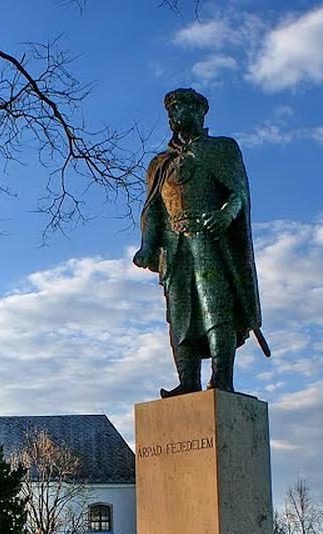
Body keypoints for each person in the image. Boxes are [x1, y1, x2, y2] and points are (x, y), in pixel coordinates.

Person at [133, 87, 266, 397]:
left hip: (209, 240)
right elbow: (153, 210)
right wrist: (148, 245)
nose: (172, 114)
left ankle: (222, 378)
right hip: (174, 249)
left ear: (199, 111)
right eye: (169, 109)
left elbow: (239, 193)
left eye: (178, 107)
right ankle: (188, 380)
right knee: (181, 316)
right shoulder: (160, 164)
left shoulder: (221, 149)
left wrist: (225, 214)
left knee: (214, 308)